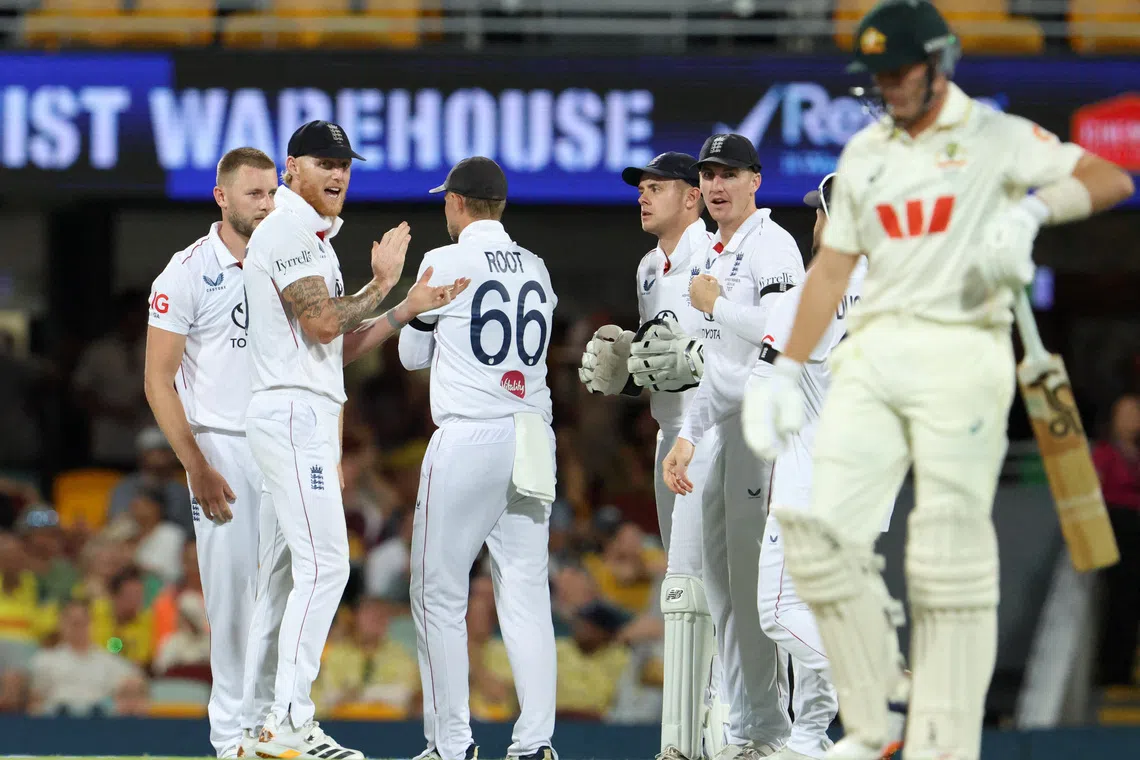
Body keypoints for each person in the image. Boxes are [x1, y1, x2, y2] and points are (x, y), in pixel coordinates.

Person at [743, 2, 1135, 759]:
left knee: (943, 565)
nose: (887, 88)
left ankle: (922, 721)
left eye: (900, 73)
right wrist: (787, 369)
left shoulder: (996, 137)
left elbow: (1109, 176)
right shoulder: (866, 157)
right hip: (874, 375)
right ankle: (879, 717)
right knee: (824, 569)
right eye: (878, 76)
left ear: (939, 64)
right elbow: (829, 270)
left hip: (959, 365)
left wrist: (1031, 214)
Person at [241, 120, 468, 760]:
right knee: (328, 564)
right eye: (323, 162)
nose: (338, 173)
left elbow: (336, 347)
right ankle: (286, 725)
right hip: (292, 415)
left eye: (345, 163)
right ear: (291, 169)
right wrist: (385, 281)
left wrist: (403, 307)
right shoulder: (287, 229)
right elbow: (320, 325)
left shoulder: (310, 236)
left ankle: (261, 724)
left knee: (288, 576)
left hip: (303, 411)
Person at [397, 156, 558, 760]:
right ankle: (534, 743)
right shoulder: (537, 267)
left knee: (437, 593)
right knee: (525, 594)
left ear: (459, 203)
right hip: (531, 434)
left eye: (447, 200)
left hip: (470, 435)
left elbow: (413, 357)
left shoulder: (445, 260)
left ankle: (450, 743)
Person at [743, 175, 906, 760]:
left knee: (778, 612)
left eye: (819, 214)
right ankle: (810, 739)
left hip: (813, 482)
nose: (813, 223)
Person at [578, 151, 728, 760]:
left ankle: (695, 736)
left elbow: (729, 357)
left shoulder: (716, 257)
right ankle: (696, 730)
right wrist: (629, 374)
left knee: (694, 586)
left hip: (712, 434)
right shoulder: (648, 266)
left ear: (691, 197)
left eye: (656, 187)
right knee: (685, 582)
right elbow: (662, 362)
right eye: (640, 188)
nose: (643, 196)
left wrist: (680, 371)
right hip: (671, 436)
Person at [661, 133, 805, 760]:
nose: (716, 184)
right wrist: (687, 435)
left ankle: (778, 732)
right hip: (723, 427)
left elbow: (787, 333)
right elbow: (719, 367)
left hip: (768, 429)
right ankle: (748, 729)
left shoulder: (773, 245)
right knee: (722, 587)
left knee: (757, 585)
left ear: (756, 180)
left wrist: (716, 300)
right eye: (709, 174)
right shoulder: (711, 253)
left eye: (729, 173)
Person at [145, 146, 282, 758]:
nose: (269, 203)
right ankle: (230, 740)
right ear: (221, 197)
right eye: (255, 193)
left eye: (273, 191)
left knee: (282, 596)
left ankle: (271, 729)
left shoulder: (288, 259)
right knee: (230, 601)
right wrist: (194, 463)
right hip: (221, 450)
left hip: (281, 444)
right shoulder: (186, 272)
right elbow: (157, 379)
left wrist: (395, 301)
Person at [1091, 393, 1140, 687]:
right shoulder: (1105, 453)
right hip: (1118, 530)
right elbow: (1092, 490)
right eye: (1127, 414)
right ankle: (1112, 671)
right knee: (1119, 601)